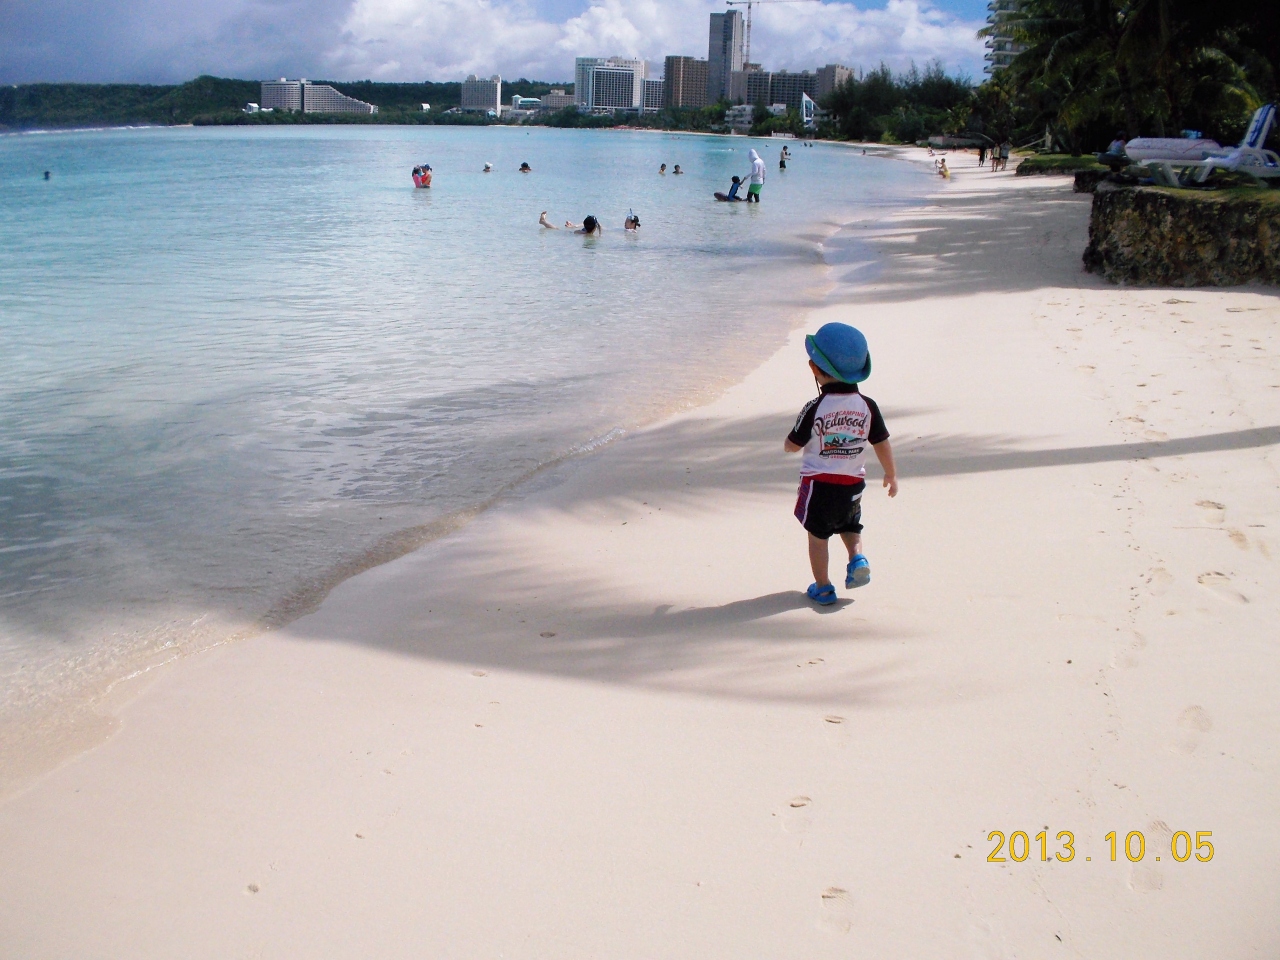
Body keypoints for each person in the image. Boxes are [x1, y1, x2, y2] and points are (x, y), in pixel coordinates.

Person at [783, 322, 896, 606]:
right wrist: (891, 473)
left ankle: (823, 587)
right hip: (853, 483)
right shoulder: (868, 405)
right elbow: (881, 442)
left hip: (818, 483)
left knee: (818, 535)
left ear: (815, 369)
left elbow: (793, 444)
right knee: (850, 524)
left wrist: (789, 445)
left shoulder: (814, 407)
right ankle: (857, 557)